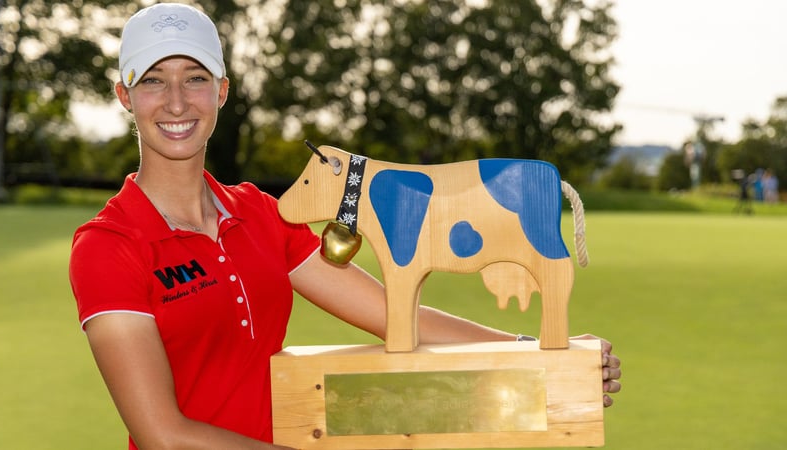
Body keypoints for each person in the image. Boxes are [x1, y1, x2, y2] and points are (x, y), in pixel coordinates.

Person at [69, 4, 621, 449]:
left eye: (194, 78)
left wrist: (546, 353)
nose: (175, 101)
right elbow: (162, 435)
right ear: (125, 95)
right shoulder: (109, 245)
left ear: (221, 92)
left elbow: (394, 315)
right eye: (153, 81)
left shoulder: (258, 212)